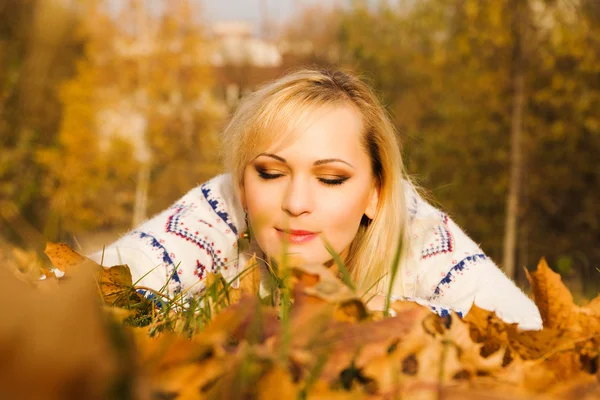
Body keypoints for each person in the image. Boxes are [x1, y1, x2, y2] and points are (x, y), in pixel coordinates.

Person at [89, 69, 543, 330]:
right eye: (270, 172)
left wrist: (357, 323)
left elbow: (521, 326)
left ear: (375, 193)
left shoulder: (416, 229)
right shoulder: (220, 206)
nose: (296, 201)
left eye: (330, 179)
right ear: (244, 184)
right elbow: (82, 283)